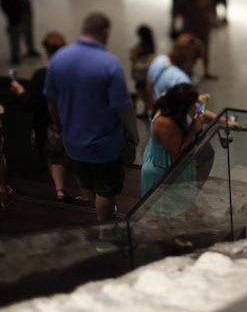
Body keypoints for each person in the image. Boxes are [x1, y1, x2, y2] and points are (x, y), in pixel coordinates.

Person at [44, 13, 139, 220]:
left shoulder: (59, 59)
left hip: (73, 142)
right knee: (106, 190)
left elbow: (51, 101)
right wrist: (133, 133)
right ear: (105, 33)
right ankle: (104, 229)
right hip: (104, 146)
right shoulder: (109, 64)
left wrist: (58, 126)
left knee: (87, 183)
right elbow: (124, 107)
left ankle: (98, 212)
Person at [10, 32, 67, 200]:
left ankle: (60, 189)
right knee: (73, 159)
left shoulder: (42, 75)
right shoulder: (74, 73)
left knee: (54, 156)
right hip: (74, 124)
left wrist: (19, 91)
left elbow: (30, 104)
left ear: (46, 51)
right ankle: (87, 194)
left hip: (49, 126)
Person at [141, 84, 210, 216]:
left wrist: (203, 105)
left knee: (181, 208)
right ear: (183, 106)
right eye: (193, 104)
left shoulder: (171, 104)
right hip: (164, 171)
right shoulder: (165, 122)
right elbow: (178, 155)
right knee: (165, 213)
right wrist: (193, 130)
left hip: (180, 169)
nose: (195, 107)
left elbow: (200, 114)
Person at [173, 0, 217, 80]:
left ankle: (205, 71)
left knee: (204, 50)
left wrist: (212, 19)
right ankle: (189, 72)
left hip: (202, 28)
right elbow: (176, 11)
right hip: (190, 29)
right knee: (188, 52)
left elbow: (211, 8)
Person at [147, 33, 204, 102]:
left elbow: (149, 90)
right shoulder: (182, 81)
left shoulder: (159, 60)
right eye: (195, 60)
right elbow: (198, 112)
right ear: (187, 59)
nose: (195, 63)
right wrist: (201, 104)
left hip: (156, 110)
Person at [1, 0, 40, 64]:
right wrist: (10, 15)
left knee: (28, 33)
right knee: (14, 36)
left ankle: (30, 50)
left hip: (25, 13)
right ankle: (15, 55)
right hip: (15, 17)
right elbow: (4, 4)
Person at [130, 25, 156, 118]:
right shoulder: (150, 45)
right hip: (147, 73)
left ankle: (151, 108)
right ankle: (146, 111)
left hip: (141, 74)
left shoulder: (141, 46)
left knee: (141, 92)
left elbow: (133, 56)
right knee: (146, 92)